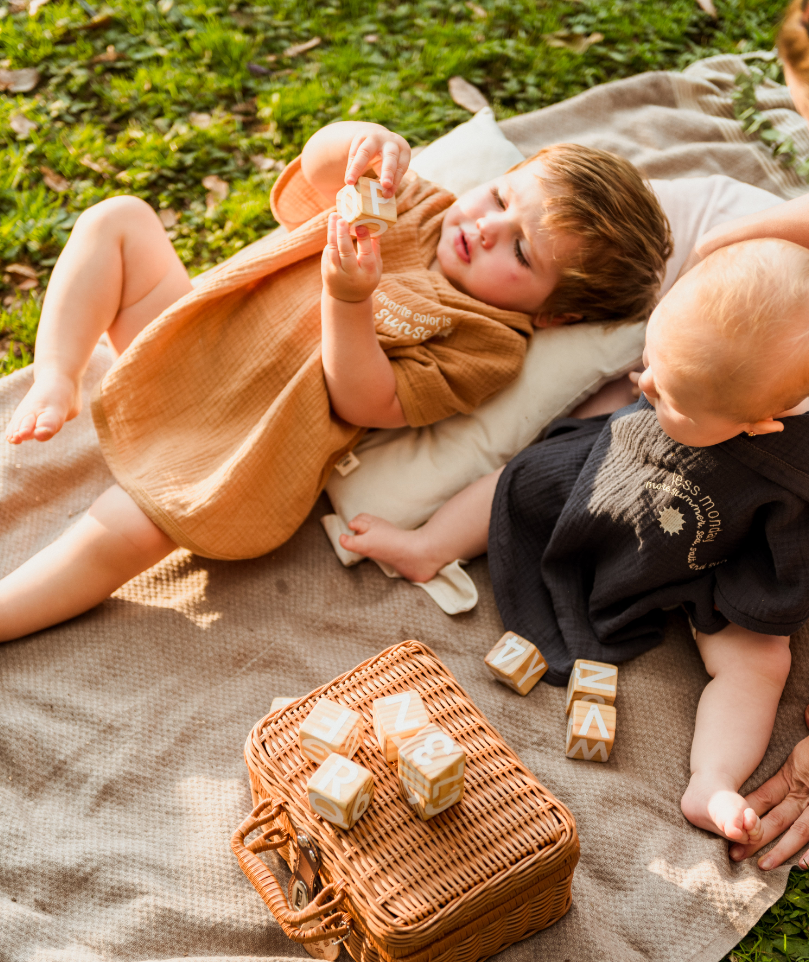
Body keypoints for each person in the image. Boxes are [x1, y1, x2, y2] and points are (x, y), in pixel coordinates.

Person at [0, 121, 671, 643]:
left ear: (557, 314)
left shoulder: (489, 343)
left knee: (131, 529)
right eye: (499, 197)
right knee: (118, 221)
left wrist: (348, 301)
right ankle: (58, 375)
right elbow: (316, 176)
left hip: (246, 437)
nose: (484, 228)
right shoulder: (416, 203)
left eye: (520, 250)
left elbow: (369, 402)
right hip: (189, 336)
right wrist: (357, 143)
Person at [340, 237, 809, 846]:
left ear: (758, 424)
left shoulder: (791, 468)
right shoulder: (689, 352)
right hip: (604, 478)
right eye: (649, 361)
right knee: (520, 480)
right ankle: (428, 545)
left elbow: (788, 551)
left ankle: (712, 778)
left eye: (667, 397)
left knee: (761, 663)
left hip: (708, 557)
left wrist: (754, 607)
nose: (644, 385)